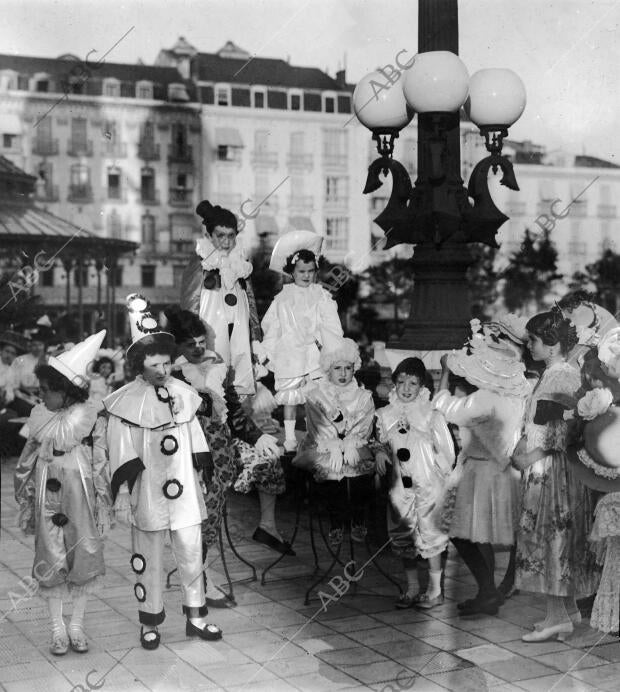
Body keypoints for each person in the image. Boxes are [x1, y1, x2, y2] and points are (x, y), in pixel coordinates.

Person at [103, 294, 222, 650]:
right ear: (140, 365)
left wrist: (201, 474)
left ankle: (197, 617)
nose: (162, 371)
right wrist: (123, 493)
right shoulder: (125, 402)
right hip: (149, 489)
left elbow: (195, 435)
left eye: (167, 364)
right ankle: (150, 622)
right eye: (154, 365)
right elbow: (120, 449)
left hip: (184, 486)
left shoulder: (184, 394)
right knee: (149, 556)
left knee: (190, 551)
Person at [164, 307, 291, 604]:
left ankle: (202, 576)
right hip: (187, 452)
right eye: (190, 343)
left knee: (212, 513)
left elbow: (233, 412)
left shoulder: (219, 365)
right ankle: (199, 581)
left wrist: (258, 436)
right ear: (178, 345)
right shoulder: (171, 373)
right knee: (194, 515)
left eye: (201, 341)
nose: (198, 348)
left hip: (219, 451)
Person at [14, 331, 111, 655]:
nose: (40, 398)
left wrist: (103, 502)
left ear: (65, 392)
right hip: (48, 493)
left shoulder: (88, 417)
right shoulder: (40, 416)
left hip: (79, 492)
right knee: (50, 556)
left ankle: (77, 625)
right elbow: (27, 460)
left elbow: (100, 461)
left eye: (46, 392)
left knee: (82, 555)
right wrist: (26, 500)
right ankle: (57, 628)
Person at [434, 315, 531, 617]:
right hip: (504, 471)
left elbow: (443, 406)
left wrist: (446, 373)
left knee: (462, 533)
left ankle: (488, 591)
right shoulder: (519, 392)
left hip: (482, 471)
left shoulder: (485, 398)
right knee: (479, 533)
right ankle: (487, 593)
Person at [512, 309, 598, 642]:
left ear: (552, 344)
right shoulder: (552, 373)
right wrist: (523, 446)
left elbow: (564, 429)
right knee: (553, 537)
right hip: (546, 467)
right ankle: (566, 611)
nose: (529, 346)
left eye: (533, 340)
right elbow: (541, 423)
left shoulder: (560, 376)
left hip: (553, 471)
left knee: (551, 537)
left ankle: (557, 617)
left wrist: (530, 455)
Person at [375, 357, 455, 610]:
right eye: (401, 382)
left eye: (413, 383)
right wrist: (379, 452)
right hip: (400, 487)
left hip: (428, 485)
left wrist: (440, 477)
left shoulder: (431, 415)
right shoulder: (385, 415)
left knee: (430, 533)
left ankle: (435, 590)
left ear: (422, 386)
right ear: (394, 384)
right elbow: (381, 444)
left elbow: (446, 451)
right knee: (403, 533)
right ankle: (412, 587)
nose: (406, 388)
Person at [261, 230, 344, 452]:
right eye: (301, 271)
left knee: (315, 396)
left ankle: (313, 434)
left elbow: (331, 324)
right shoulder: (283, 297)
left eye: (310, 271)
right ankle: (289, 438)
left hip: (313, 352)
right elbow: (272, 323)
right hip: (290, 351)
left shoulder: (321, 295)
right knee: (290, 397)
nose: (306, 276)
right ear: (292, 272)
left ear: (316, 271)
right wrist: (269, 348)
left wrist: (328, 345)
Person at [293, 337, 376, 546]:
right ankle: (336, 522)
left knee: (360, 469)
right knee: (331, 471)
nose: (343, 374)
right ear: (328, 369)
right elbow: (317, 426)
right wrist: (333, 445)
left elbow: (364, 425)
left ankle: (358, 518)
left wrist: (351, 442)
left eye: (347, 368)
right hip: (323, 444)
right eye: (337, 368)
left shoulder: (363, 396)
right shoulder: (316, 395)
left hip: (354, 444)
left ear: (354, 368)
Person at [180, 200, 262, 397]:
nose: (226, 242)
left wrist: (256, 334)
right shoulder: (201, 264)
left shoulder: (241, 263)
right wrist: (191, 339)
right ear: (208, 235)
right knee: (213, 374)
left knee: (240, 374)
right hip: (212, 329)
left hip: (239, 327)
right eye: (220, 236)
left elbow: (249, 299)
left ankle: (237, 418)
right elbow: (189, 304)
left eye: (231, 236)